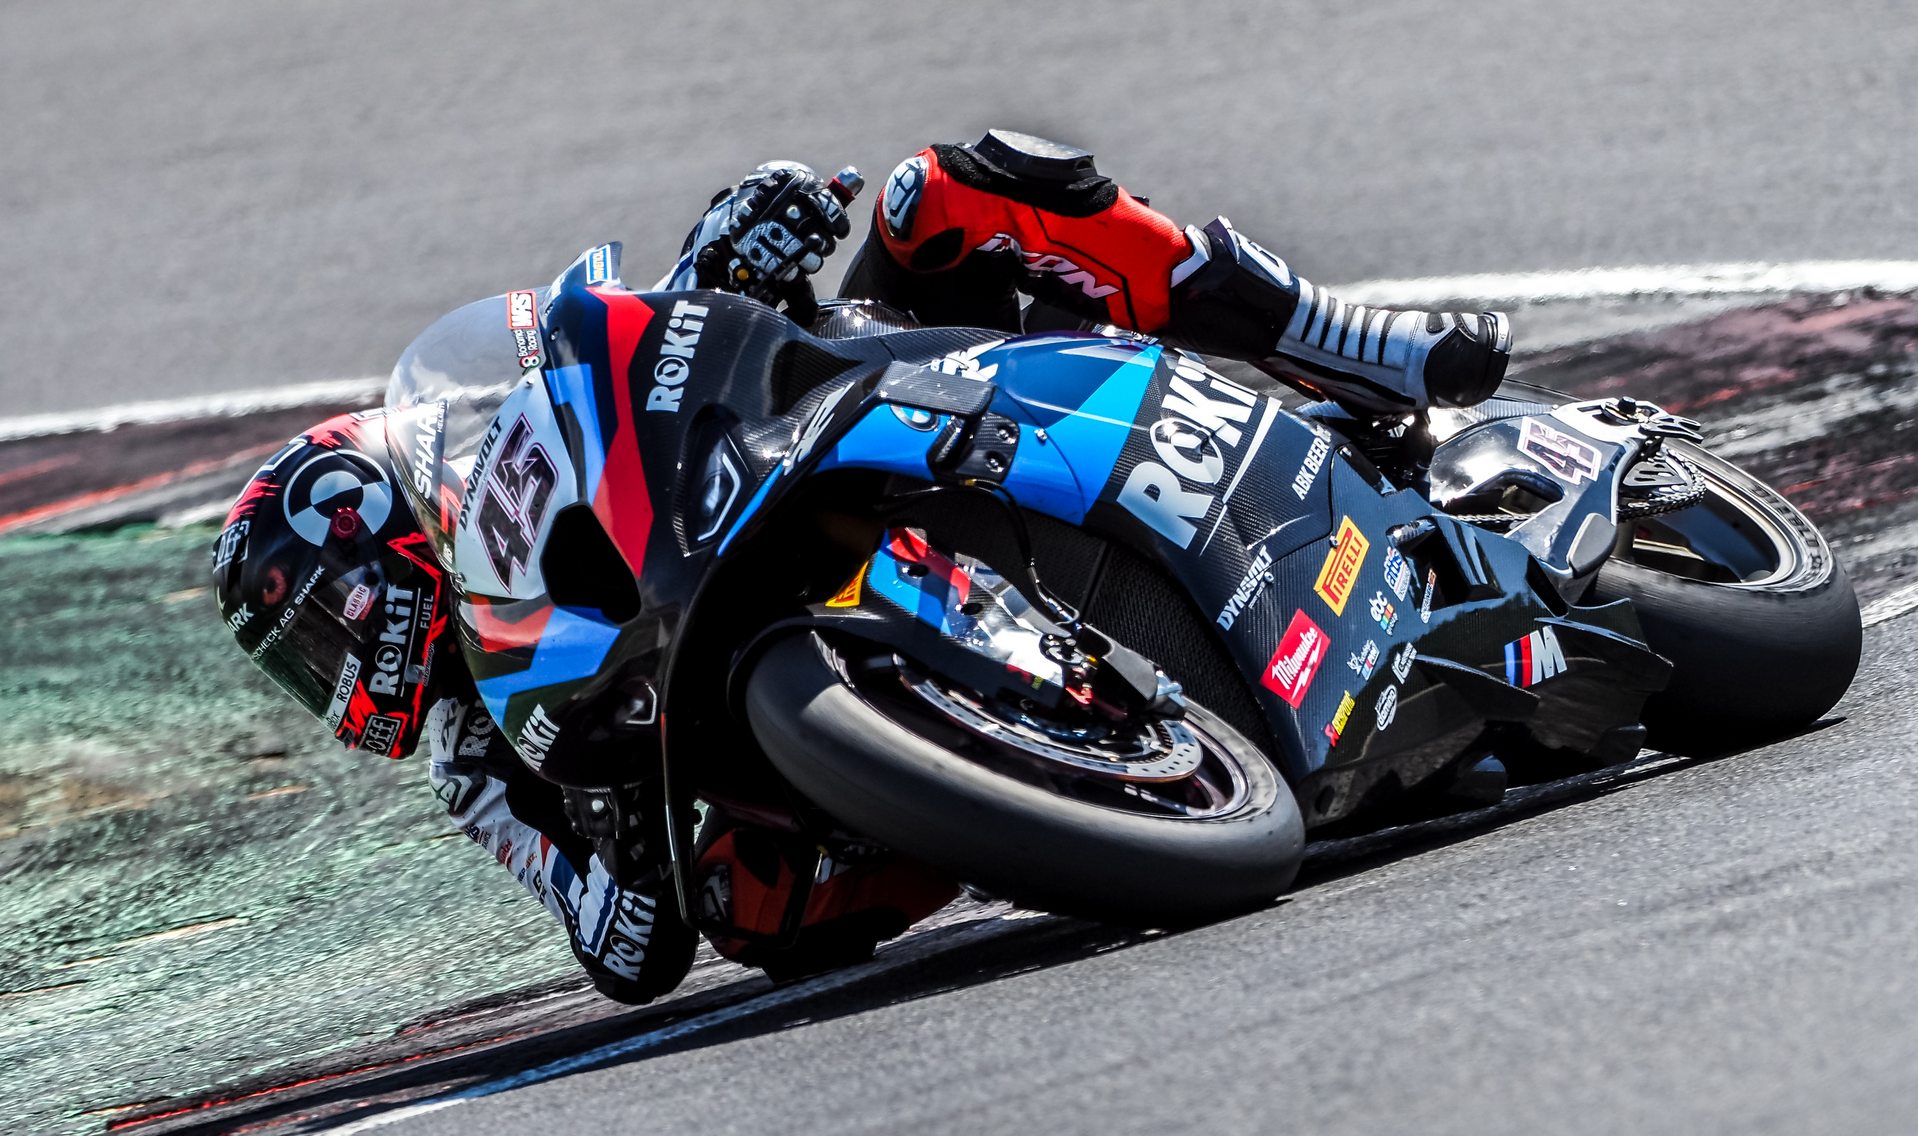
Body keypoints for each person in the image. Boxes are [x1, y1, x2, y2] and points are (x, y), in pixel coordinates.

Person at [211, 130, 1514, 1004]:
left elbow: (638, 375)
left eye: (325, 628)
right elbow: (620, 948)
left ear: (380, 531)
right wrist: (625, 834)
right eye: (305, 664)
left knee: (942, 192)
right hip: (793, 724)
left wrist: (728, 252)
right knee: (753, 903)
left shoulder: (514, 451)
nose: (338, 670)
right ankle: (1052, 777)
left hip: (866, 394)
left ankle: (1348, 345)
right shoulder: (469, 751)